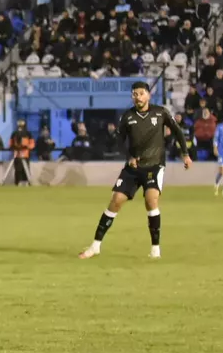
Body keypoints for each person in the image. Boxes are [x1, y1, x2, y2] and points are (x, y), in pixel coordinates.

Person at [79, 82, 191, 260]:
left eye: (141, 93)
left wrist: (185, 154)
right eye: (134, 94)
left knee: (151, 199)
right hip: (133, 167)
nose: (138, 97)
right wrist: (129, 157)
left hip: (154, 165)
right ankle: (95, 246)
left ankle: (155, 249)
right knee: (115, 201)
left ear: (148, 95)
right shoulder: (128, 116)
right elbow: (119, 140)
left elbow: (177, 131)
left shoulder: (160, 112)